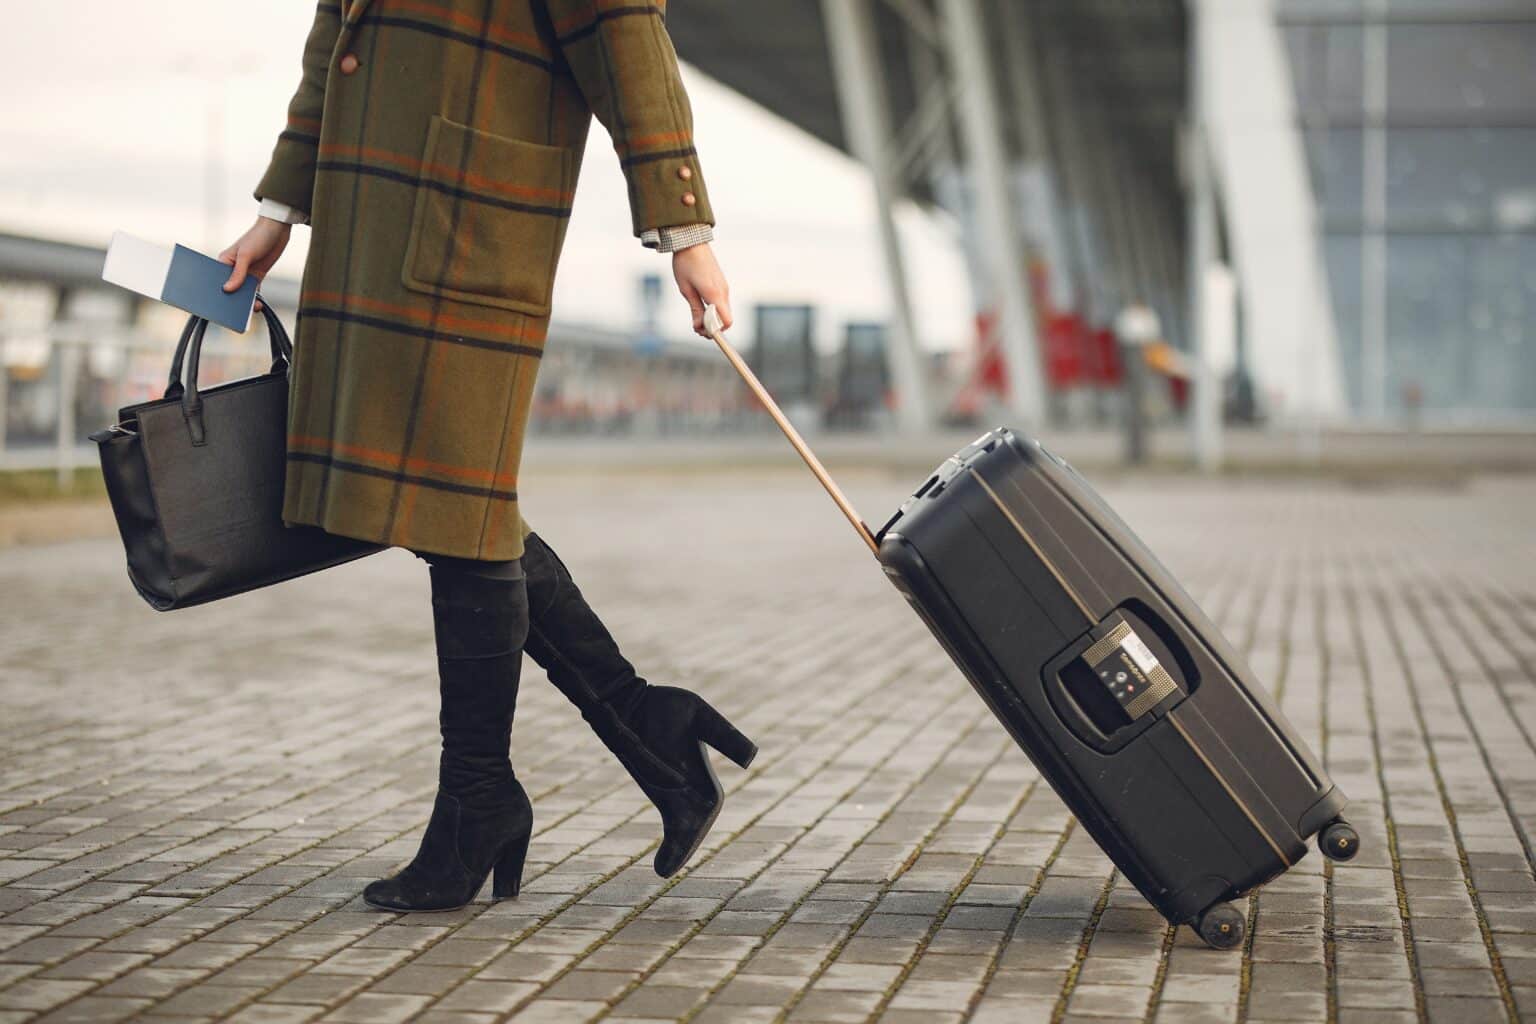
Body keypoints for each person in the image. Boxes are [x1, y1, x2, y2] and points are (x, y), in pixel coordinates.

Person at [218, 0, 756, 913]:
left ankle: (486, 795)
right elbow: (333, 43)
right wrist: (278, 208)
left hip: (470, 215)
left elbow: (625, 30)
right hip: (367, 225)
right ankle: (635, 731)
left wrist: (687, 230)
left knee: (457, 507)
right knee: (453, 507)